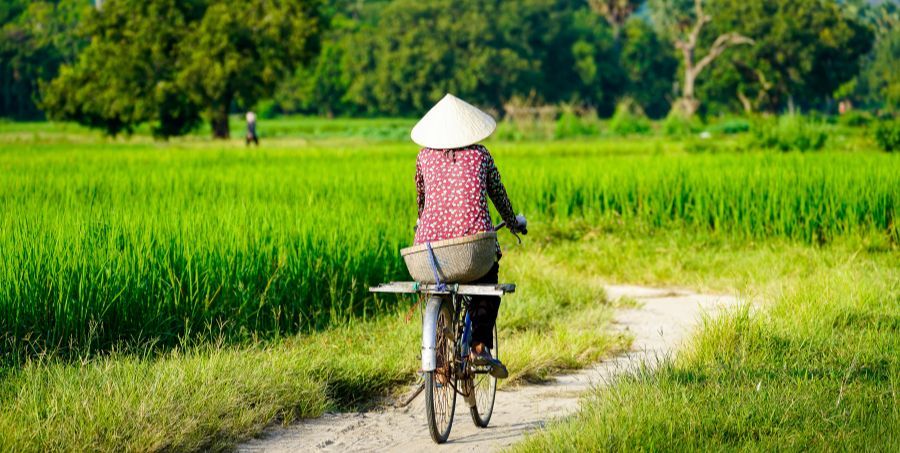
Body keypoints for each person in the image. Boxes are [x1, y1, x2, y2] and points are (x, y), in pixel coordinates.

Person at [410, 93, 526, 379]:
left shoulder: (423, 157)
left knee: (437, 288)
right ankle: (478, 347)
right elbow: (499, 196)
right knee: (488, 277)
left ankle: (436, 360)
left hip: (430, 252)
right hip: (472, 250)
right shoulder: (481, 155)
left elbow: (422, 202)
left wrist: (421, 224)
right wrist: (513, 222)